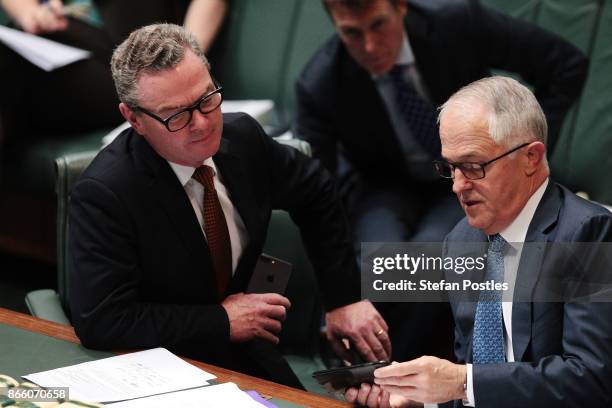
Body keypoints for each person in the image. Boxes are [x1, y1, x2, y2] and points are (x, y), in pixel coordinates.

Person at [68, 23, 390, 388]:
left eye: (207, 99)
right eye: (177, 115)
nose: (202, 124)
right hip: (155, 363)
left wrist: (343, 299)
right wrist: (221, 320)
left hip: (247, 348)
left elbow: (316, 190)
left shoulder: (243, 138)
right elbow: (102, 320)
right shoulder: (106, 192)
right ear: (134, 119)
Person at [294, 0, 588, 364]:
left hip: (471, 174)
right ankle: (374, 370)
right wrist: (338, 300)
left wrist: (521, 150)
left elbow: (567, 64)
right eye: (352, 33)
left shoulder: (457, 23)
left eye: (379, 25)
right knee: (381, 260)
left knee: (429, 257)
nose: (370, 46)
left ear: (401, 7)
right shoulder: (320, 82)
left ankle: (374, 372)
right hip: (385, 185)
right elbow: (316, 194)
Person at [345, 76, 612, 407]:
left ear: (531, 157)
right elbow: (476, 387)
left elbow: (592, 380)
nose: (458, 186)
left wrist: (460, 381)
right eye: (451, 167)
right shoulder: (461, 240)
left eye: (472, 166)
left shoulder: (590, 233)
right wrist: (421, 399)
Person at [0, 0, 227, 179]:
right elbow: (28, 11)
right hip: (55, 40)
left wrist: (184, 61)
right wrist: (30, 12)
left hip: (142, 65)